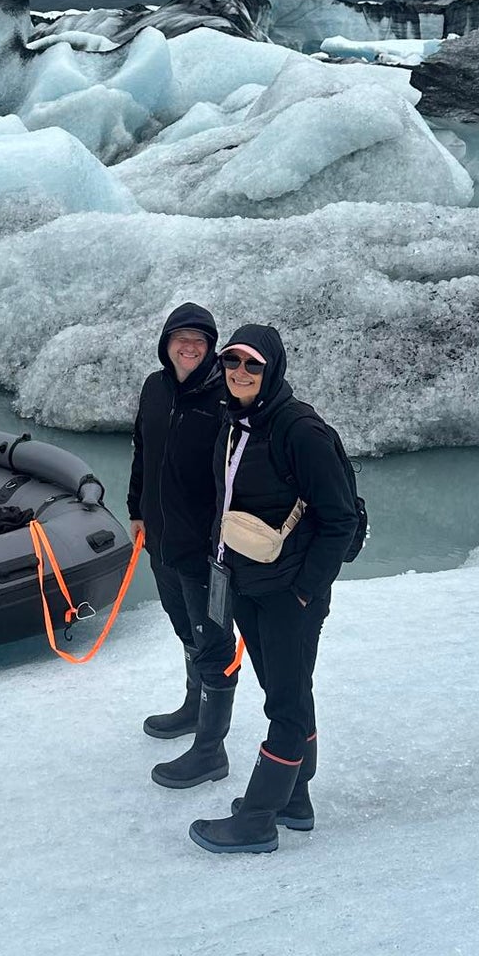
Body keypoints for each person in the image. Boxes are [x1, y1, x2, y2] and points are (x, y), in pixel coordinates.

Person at [188, 323, 359, 855]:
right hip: (247, 583)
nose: (240, 373)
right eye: (233, 362)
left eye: (252, 365)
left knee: (283, 706)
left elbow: (340, 520)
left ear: (273, 370)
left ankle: (259, 818)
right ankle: (295, 799)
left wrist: (305, 591)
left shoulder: (299, 431)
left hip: (289, 595)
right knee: (287, 691)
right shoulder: (235, 422)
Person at [127, 303, 239, 788]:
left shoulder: (226, 399)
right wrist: (137, 510)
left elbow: (239, 478)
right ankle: (195, 709)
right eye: (181, 338)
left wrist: (226, 541)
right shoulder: (155, 389)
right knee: (185, 629)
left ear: (211, 347)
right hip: (162, 542)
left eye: (200, 339)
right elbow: (143, 452)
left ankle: (211, 753)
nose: (189, 347)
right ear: (166, 343)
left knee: (214, 643)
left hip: (208, 552)